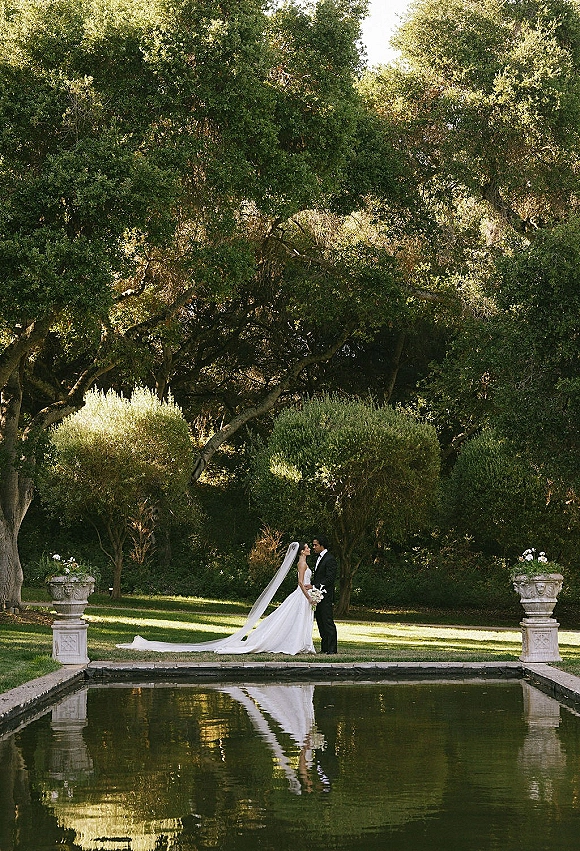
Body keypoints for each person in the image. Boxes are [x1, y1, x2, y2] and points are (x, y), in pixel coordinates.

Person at [116, 541, 317, 655]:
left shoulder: (303, 562)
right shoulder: (301, 563)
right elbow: (300, 582)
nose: (309, 549)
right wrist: (308, 595)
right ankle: (296, 644)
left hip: (302, 595)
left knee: (293, 620)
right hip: (301, 595)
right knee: (289, 619)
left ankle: (301, 643)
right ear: (302, 551)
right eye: (308, 547)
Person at [311, 535, 338, 654]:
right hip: (318, 595)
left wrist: (315, 587)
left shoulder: (330, 559)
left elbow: (330, 578)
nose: (313, 547)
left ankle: (332, 649)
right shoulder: (319, 558)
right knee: (320, 621)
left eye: (315, 545)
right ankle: (325, 647)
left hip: (325, 596)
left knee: (327, 621)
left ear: (322, 545)